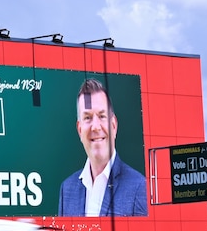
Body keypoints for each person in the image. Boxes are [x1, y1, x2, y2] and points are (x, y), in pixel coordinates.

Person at [58, 78, 148, 216]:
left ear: (114, 125)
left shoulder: (139, 187)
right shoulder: (67, 190)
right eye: (87, 117)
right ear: (79, 129)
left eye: (102, 116)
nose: (95, 126)